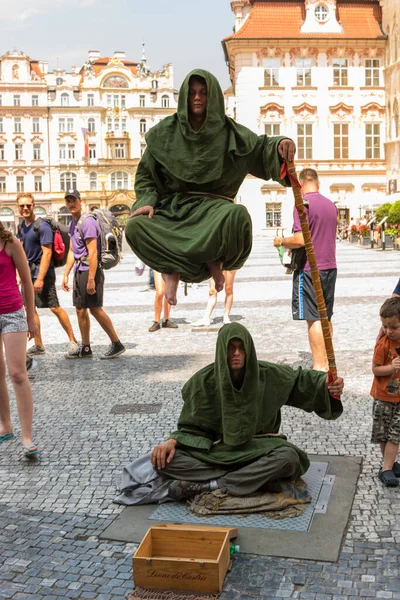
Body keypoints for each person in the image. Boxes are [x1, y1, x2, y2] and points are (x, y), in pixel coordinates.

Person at [125, 69, 296, 306]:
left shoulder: (232, 133)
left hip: (214, 212)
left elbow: (260, 149)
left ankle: (214, 261)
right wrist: (146, 202)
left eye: (203, 93)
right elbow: (146, 176)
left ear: (213, 96)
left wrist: (281, 145)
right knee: (134, 227)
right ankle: (171, 269)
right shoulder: (163, 133)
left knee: (238, 216)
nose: (197, 97)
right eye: (193, 93)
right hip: (174, 212)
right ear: (184, 96)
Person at [150, 323, 343, 500]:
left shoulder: (268, 374)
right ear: (221, 350)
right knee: (167, 462)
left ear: (248, 349)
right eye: (230, 347)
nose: (236, 353)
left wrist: (326, 385)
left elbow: (302, 380)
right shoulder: (200, 382)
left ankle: (212, 485)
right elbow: (191, 429)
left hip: (259, 449)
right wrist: (171, 441)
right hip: (218, 452)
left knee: (289, 458)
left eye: (241, 347)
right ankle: (256, 480)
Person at [273, 168, 338, 371]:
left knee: (313, 318)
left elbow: (300, 240)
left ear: (300, 185)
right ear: (317, 183)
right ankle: (328, 360)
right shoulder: (331, 205)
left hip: (309, 268)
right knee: (326, 316)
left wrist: (281, 241)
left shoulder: (303, 204)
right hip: (330, 266)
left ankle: (319, 365)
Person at [62, 190, 125, 359]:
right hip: (79, 271)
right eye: (68, 201)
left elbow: (92, 253)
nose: (71, 204)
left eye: (73, 200)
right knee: (81, 310)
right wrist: (66, 273)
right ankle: (86, 348)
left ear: (80, 201)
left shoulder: (87, 222)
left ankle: (117, 343)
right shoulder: (72, 224)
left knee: (95, 309)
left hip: (90, 271)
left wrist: (91, 279)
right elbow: (71, 251)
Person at [16, 193, 78, 357]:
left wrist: (40, 278)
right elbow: (21, 250)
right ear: (18, 207)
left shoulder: (41, 226)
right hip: (27, 274)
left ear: (33, 205)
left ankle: (73, 342)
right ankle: (38, 344)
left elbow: (47, 253)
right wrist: (19, 274)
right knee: (30, 308)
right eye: (22, 205)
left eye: (28, 205)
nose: (25, 208)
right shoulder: (22, 226)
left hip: (43, 273)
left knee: (54, 307)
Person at [0, 221, 39, 457]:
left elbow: (26, 282)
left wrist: (31, 318)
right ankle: (5, 425)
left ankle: (27, 437)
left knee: (17, 373)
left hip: (12, 313)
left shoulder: (11, 243)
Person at [370, 297, 400, 487]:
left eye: (394, 327)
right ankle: (388, 465)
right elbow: (375, 369)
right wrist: (390, 368)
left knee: (395, 434)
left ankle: (387, 468)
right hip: (383, 397)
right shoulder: (383, 345)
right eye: (385, 326)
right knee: (384, 434)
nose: (389, 331)